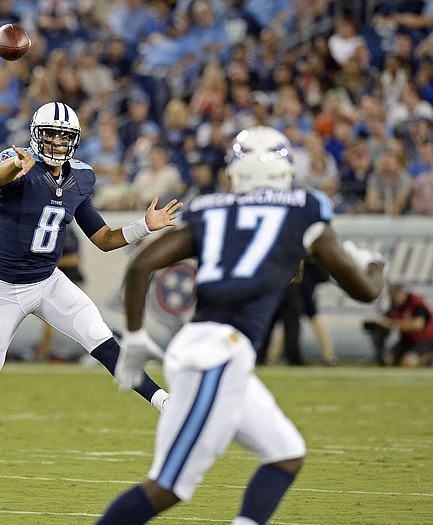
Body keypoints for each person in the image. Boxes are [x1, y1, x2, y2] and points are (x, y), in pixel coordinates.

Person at [97, 126, 385, 525]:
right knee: (166, 487)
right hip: (217, 355)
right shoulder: (306, 208)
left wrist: (134, 335)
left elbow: (142, 263)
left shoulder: (210, 208)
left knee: (285, 454)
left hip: (214, 349)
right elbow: (367, 292)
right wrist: (373, 264)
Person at [0, 101, 183, 495]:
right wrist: (14, 167)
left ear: (75, 141)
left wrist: (144, 226)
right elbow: (0, 176)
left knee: (102, 340)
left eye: (65, 137)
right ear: (35, 135)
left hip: (48, 281)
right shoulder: (19, 164)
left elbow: (104, 239)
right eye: (51, 135)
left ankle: (164, 403)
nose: (58, 143)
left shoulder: (81, 178)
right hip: (3, 289)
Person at [35, 225, 84, 360]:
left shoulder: (66, 231)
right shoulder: (45, 228)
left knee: (81, 319)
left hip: (70, 280)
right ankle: (44, 352)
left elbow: (74, 259)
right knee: (50, 319)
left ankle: (44, 352)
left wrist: (48, 264)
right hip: (54, 280)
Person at [365, 282, 433, 367]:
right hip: (406, 341)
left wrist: (392, 324)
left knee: (408, 362)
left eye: (395, 295)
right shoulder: (395, 306)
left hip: (425, 341)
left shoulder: (415, 302)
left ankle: (427, 359)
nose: (393, 298)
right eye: (391, 296)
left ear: (402, 293)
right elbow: (386, 321)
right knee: (387, 360)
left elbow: (418, 325)